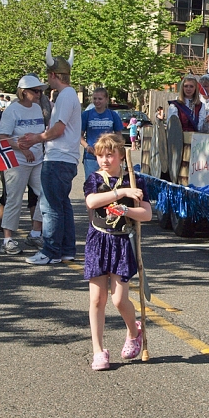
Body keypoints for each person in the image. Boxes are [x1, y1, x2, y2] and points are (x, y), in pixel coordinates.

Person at [83, 133, 152, 370]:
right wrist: (120, 194)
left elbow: (147, 214)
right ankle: (98, 350)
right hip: (98, 240)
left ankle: (134, 332)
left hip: (122, 243)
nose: (104, 160)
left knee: (119, 299)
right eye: (100, 155)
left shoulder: (134, 180)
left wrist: (127, 211)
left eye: (110, 155)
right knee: (97, 298)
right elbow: (91, 202)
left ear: (121, 156)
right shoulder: (95, 179)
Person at [20, 43, 82, 265]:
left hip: (58, 158)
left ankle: (50, 252)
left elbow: (58, 128)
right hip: (67, 158)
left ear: (54, 74)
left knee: (50, 207)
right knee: (62, 204)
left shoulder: (65, 96)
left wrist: (36, 138)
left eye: (48, 74)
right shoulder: (69, 95)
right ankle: (66, 249)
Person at [0, 75, 47, 254]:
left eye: (40, 91)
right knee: (14, 198)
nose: (39, 94)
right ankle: (8, 239)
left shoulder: (37, 108)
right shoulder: (12, 110)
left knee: (45, 194)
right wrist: (22, 148)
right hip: (17, 161)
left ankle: (35, 233)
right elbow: (3, 137)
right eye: (35, 91)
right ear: (24, 92)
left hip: (38, 159)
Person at [80, 88, 123, 181]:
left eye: (100, 99)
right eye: (95, 99)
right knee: (92, 184)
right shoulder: (86, 115)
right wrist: (87, 146)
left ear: (106, 99)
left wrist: (118, 150)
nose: (97, 101)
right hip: (91, 157)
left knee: (108, 183)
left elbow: (119, 135)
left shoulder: (113, 115)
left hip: (108, 156)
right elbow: (79, 136)